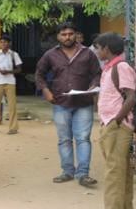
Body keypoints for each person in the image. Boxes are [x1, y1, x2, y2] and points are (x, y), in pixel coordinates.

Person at [35, 21, 101, 187]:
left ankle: (83, 174)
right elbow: (39, 74)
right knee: (64, 139)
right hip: (60, 102)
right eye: (63, 34)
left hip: (83, 102)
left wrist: (93, 87)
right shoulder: (50, 54)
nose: (67, 37)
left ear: (76, 35)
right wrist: (46, 90)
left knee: (83, 138)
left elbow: (97, 74)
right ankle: (67, 171)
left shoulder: (88, 53)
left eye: (70, 34)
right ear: (58, 36)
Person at [95, 32, 136, 209]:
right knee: (122, 169)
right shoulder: (109, 68)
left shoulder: (122, 67)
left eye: (98, 47)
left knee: (114, 171)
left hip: (117, 127)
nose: (97, 51)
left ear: (107, 49)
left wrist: (116, 121)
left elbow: (131, 98)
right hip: (111, 124)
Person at [0, 34, 22, 135]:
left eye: (5, 42)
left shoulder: (14, 54)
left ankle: (13, 128)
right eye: (1, 42)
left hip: (10, 82)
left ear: (9, 43)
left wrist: (9, 71)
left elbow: (19, 69)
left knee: (12, 105)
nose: (3, 44)